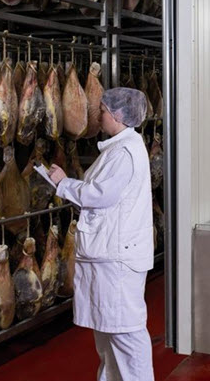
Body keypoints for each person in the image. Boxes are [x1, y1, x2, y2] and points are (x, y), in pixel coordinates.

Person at [48, 87, 154, 381]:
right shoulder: (120, 148)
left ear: (118, 116)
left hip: (117, 257)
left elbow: (100, 194)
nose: (99, 116)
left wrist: (63, 183)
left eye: (104, 111)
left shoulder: (124, 153)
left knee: (125, 336)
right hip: (111, 253)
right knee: (109, 336)